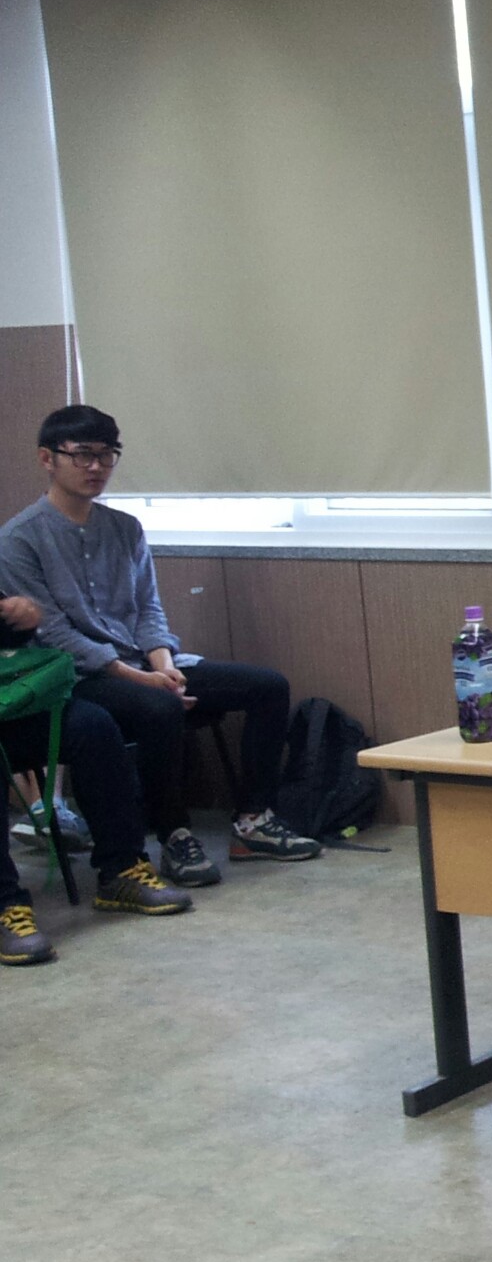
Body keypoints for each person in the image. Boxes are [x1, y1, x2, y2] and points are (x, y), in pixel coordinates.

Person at [0, 406, 321, 888]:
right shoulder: (18, 540)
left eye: (107, 455)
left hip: (143, 662)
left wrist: (163, 665)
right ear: (48, 458)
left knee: (267, 686)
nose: (96, 467)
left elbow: (148, 609)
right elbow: (57, 637)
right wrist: (144, 680)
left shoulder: (125, 527)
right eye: (82, 455)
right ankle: (174, 834)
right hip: (80, 677)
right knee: (158, 707)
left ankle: (253, 821)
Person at [0, 591, 194, 964]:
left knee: (93, 726)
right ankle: (5, 904)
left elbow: (11, 644)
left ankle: (121, 869)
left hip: (9, 698)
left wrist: (20, 619)